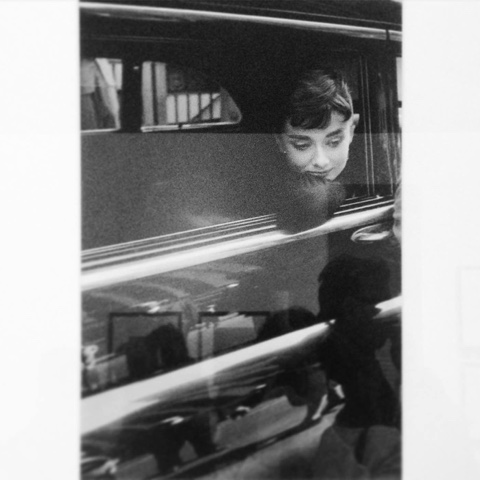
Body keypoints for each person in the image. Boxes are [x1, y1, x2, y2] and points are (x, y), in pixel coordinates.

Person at [273, 69, 359, 231]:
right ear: (280, 142)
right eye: (302, 146)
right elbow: (305, 206)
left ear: (351, 133)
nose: (321, 161)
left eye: (334, 142)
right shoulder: (270, 186)